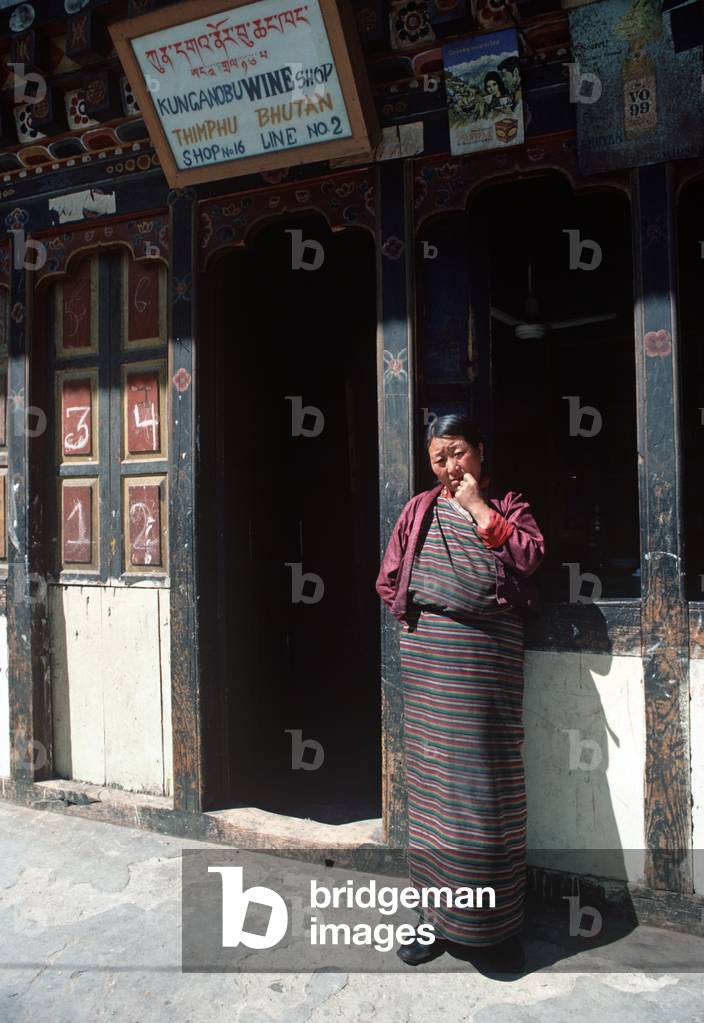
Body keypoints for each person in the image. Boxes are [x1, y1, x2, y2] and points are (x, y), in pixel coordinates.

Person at [375, 416, 544, 968]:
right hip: (429, 666)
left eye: (458, 453)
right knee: (433, 790)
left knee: (485, 787)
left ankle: (497, 928)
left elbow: (528, 558)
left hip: (486, 663)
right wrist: (430, 616)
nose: (450, 467)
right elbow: (389, 578)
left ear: (480, 451)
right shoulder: (418, 509)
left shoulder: (509, 505)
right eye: (439, 459)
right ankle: (433, 920)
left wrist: (477, 509)